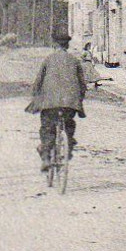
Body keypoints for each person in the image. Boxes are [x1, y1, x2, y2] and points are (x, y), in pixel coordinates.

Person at [27, 30, 86, 171]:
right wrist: (79, 100)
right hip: (69, 103)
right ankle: (69, 145)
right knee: (69, 124)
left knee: (47, 128)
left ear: (55, 44)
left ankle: (46, 156)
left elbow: (38, 83)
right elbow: (82, 85)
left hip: (50, 104)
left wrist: (36, 97)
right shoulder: (74, 60)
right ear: (67, 45)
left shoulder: (48, 59)